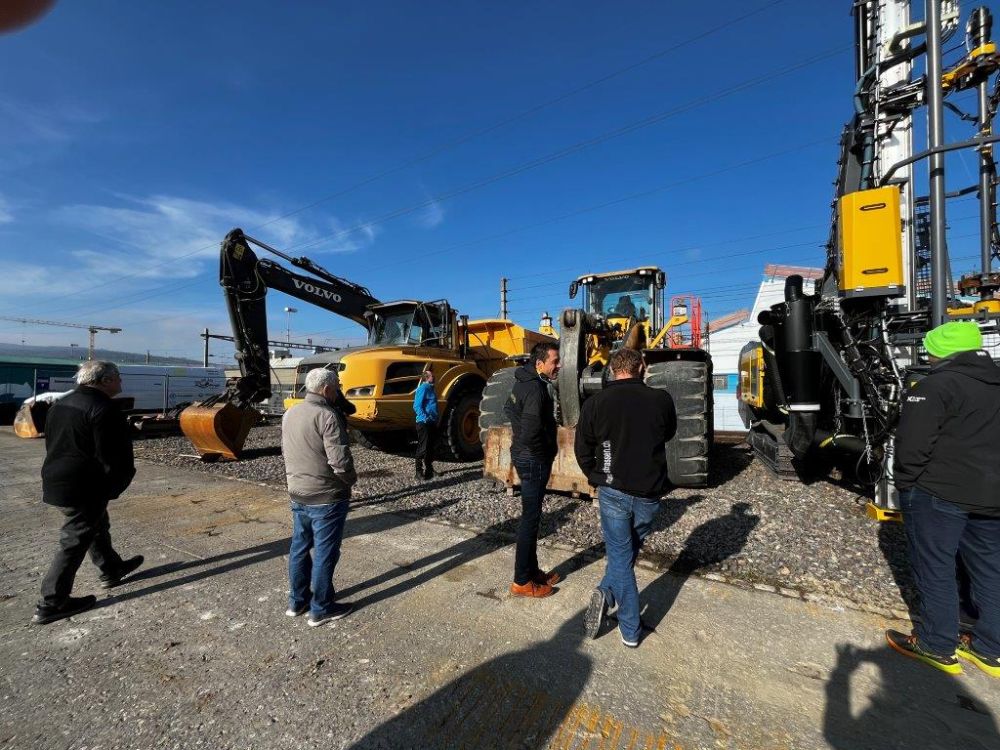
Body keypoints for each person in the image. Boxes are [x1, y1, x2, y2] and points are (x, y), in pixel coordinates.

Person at [888, 321, 1000, 678]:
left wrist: (906, 484)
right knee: (990, 568)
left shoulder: (935, 386)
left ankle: (936, 644)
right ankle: (991, 649)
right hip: (992, 494)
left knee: (936, 566)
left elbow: (912, 446)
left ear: (941, 351)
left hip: (938, 492)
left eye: (931, 348)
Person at [575, 348, 677, 648]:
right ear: (642, 367)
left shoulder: (595, 403)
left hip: (612, 490)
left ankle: (606, 593)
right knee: (626, 554)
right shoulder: (661, 400)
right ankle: (630, 629)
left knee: (621, 555)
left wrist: (597, 474)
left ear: (611, 370)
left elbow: (582, 448)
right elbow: (668, 433)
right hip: (648, 493)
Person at [33, 361, 143, 625]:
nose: (120, 383)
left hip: (57, 477)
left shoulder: (62, 403)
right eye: (117, 378)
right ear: (104, 380)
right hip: (84, 484)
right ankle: (52, 602)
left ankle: (111, 568)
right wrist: (115, 486)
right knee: (75, 537)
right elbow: (114, 458)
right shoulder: (104, 409)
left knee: (95, 524)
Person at [282, 367, 358, 626]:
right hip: (327, 496)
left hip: (298, 493)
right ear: (326, 390)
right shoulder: (327, 416)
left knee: (299, 548)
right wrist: (350, 481)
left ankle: (297, 601)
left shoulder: (290, 413)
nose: (338, 391)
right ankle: (321, 609)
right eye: (336, 387)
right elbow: (340, 462)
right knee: (326, 552)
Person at [505, 341, 560, 598]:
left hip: (523, 456)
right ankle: (521, 581)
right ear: (539, 363)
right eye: (554, 362)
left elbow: (508, 407)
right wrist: (546, 451)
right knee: (529, 520)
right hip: (533, 460)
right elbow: (530, 432)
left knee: (533, 518)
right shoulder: (537, 391)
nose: (558, 365)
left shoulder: (522, 382)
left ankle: (532, 570)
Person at [413, 369, 439, 480]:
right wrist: (424, 418)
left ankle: (429, 470)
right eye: (432, 376)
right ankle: (418, 472)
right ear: (426, 377)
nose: (434, 377)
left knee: (430, 447)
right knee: (422, 447)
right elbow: (416, 405)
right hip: (424, 423)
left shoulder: (431, 388)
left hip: (431, 422)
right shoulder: (423, 388)